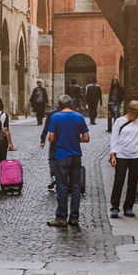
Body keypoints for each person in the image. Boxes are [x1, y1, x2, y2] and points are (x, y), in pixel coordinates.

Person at [47, 94, 90, 228]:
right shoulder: (79, 117)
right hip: (76, 156)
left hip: (62, 155)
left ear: (59, 106)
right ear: (71, 104)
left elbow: (51, 138)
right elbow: (87, 138)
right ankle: (74, 218)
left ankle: (61, 218)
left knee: (62, 187)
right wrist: (76, 139)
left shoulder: (56, 117)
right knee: (76, 187)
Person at [109, 100, 138, 218]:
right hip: (122, 154)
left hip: (136, 156)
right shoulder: (119, 121)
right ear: (130, 111)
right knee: (119, 181)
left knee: (132, 183)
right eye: (136, 112)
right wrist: (113, 155)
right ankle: (115, 207)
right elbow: (114, 138)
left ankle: (128, 207)